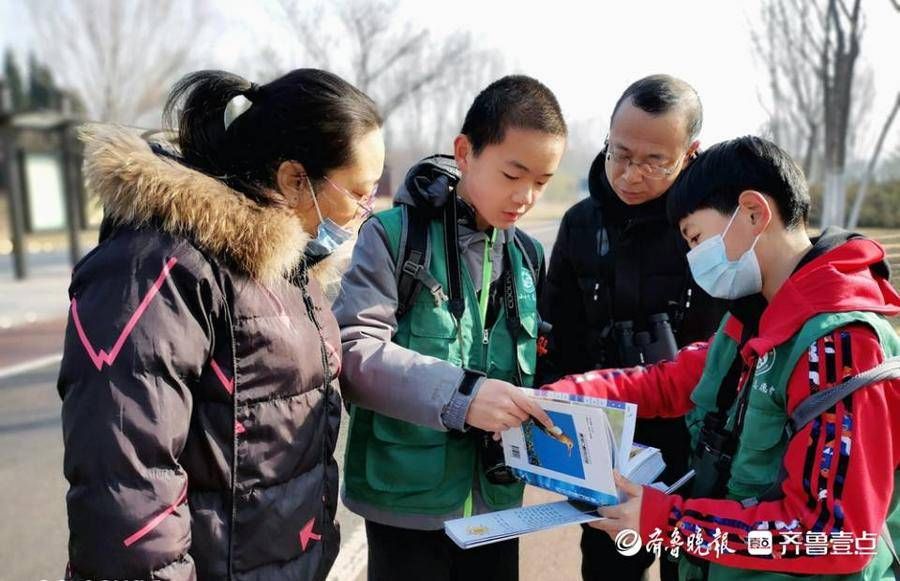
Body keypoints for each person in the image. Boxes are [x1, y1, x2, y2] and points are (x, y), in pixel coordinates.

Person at [57, 68, 384, 580]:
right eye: (360, 194)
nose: (368, 212)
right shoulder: (156, 269)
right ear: (294, 179)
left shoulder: (289, 268)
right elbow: (127, 491)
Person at [544, 136, 900, 580]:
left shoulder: (839, 348)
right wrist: (560, 395)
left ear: (753, 212)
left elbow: (833, 535)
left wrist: (670, 524)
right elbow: (668, 382)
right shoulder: (754, 323)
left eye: (696, 238)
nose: (695, 259)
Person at [333, 75, 565, 581]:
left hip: (499, 508)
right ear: (465, 152)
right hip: (407, 507)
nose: (525, 196)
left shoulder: (528, 256)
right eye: (512, 173)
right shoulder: (394, 237)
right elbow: (353, 351)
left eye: (542, 182)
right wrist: (462, 395)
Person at [538, 74, 728, 580]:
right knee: (607, 571)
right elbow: (559, 338)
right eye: (619, 153)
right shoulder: (582, 224)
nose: (630, 174)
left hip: (697, 450)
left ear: (691, 154)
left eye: (653, 161)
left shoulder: (709, 229)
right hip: (610, 446)